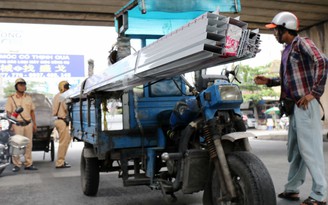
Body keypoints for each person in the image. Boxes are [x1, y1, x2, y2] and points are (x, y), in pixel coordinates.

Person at [254, 11, 328, 205]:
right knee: (295, 150)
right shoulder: (287, 50)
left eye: (276, 30)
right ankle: (292, 189)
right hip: (294, 106)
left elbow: (322, 61)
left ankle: (320, 194)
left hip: (306, 105)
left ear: (285, 29)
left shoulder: (302, 43)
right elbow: (290, 80)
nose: (274, 34)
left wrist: (314, 93)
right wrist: (270, 81)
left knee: (310, 150)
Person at [5, 78, 38, 172]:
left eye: (23, 84)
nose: (22, 86)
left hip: (28, 124)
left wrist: (34, 124)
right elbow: (9, 113)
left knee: (29, 144)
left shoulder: (28, 98)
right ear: (16, 86)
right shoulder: (11, 98)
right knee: (16, 145)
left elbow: (32, 112)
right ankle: (17, 165)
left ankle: (29, 164)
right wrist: (10, 125)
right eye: (20, 85)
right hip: (17, 124)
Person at [52, 81, 71, 168]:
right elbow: (66, 108)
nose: (68, 88)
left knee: (64, 142)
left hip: (58, 120)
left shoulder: (56, 96)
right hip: (63, 121)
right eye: (67, 86)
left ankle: (61, 160)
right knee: (63, 143)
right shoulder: (64, 96)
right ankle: (60, 162)